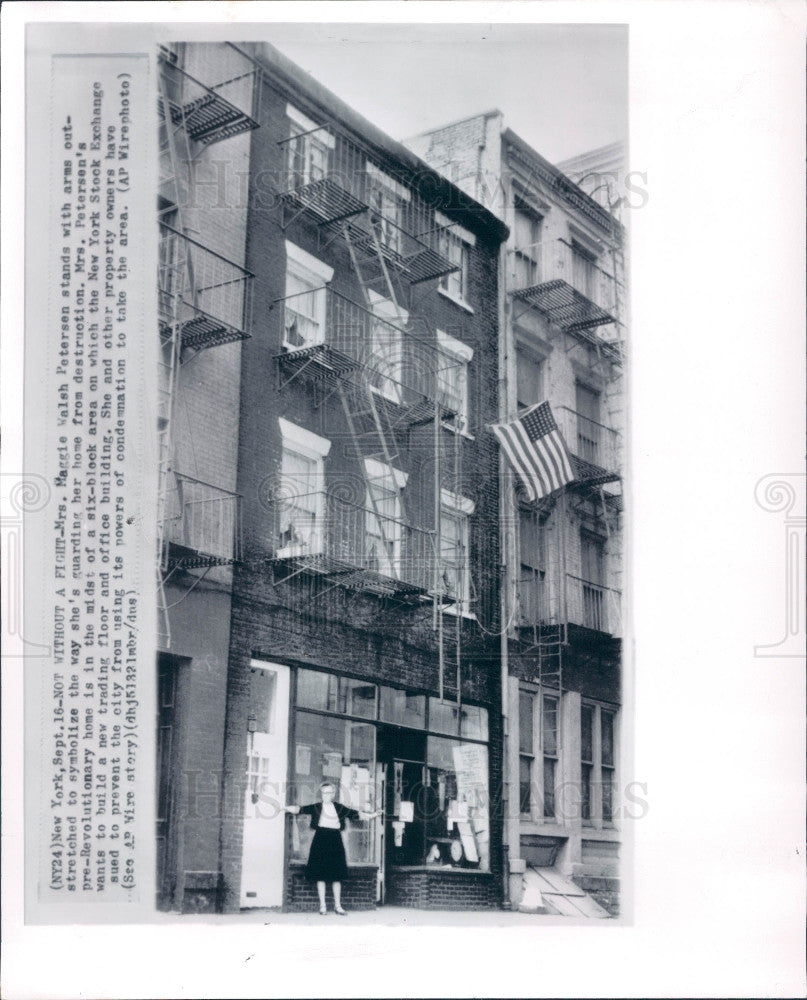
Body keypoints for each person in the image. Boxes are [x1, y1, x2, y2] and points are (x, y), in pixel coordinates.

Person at [284, 781, 379, 915]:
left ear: (333, 794)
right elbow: (300, 809)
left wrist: (374, 815)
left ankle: (338, 906)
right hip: (320, 839)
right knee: (320, 874)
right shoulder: (316, 807)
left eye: (329, 793)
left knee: (337, 874)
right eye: (324, 793)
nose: (326, 795)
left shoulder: (339, 808)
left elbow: (356, 814)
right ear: (321, 794)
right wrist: (285, 808)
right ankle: (322, 906)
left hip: (335, 839)